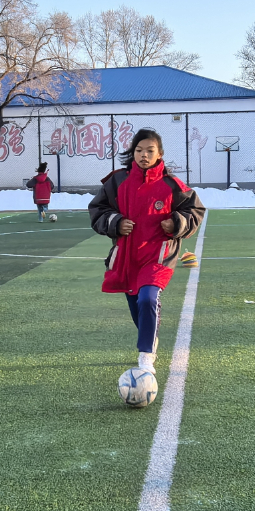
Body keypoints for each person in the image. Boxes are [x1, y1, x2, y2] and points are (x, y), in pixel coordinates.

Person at [88, 129, 205, 384]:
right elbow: (98, 209)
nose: (144, 155)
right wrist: (115, 222)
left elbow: (195, 209)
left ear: (159, 154)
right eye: (139, 150)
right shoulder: (117, 181)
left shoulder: (172, 185)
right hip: (128, 257)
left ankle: (145, 356)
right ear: (133, 153)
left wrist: (176, 222)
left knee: (148, 299)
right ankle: (149, 337)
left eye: (150, 151)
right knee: (137, 307)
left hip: (158, 255)